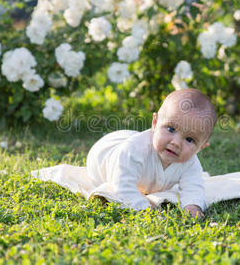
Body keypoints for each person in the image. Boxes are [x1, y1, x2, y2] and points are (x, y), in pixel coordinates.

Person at [86, 88, 217, 218]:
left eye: (189, 139)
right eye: (171, 129)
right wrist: (146, 210)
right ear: (155, 123)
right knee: (132, 147)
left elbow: (193, 187)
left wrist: (193, 207)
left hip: (139, 142)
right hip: (105, 152)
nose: (176, 142)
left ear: (200, 148)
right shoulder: (133, 151)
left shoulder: (190, 162)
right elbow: (122, 187)